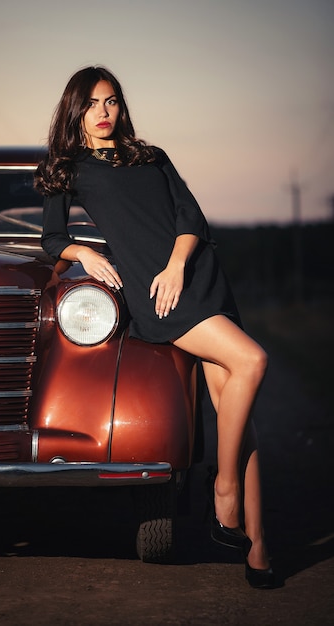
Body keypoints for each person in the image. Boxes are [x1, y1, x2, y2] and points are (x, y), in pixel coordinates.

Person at [35, 65, 275, 589]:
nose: (104, 112)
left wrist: (176, 264)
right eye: (93, 102)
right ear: (74, 109)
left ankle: (258, 553)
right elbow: (51, 238)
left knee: (241, 412)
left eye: (112, 101)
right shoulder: (68, 167)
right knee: (252, 361)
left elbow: (192, 218)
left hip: (194, 279)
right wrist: (86, 254)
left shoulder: (151, 156)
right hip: (157, 298)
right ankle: (224, 488)